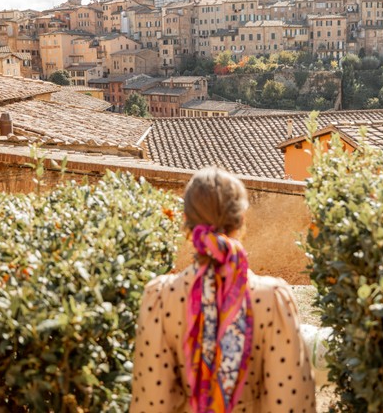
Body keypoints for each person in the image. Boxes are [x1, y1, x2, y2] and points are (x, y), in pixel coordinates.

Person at [131, 167, 316, 413]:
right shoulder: (272, 301)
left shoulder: (162, 299)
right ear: (242, 222)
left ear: (186, 225)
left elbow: (151, 403)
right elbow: (291, 403)